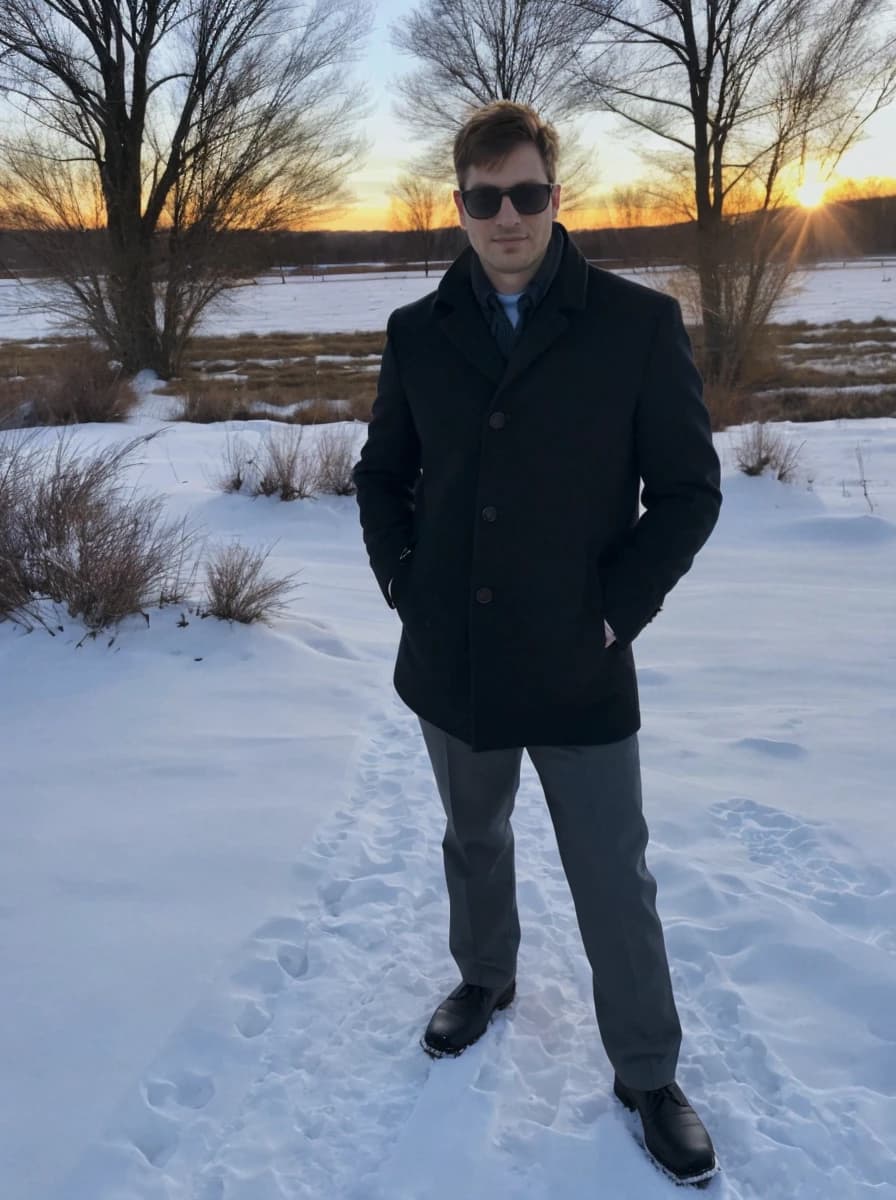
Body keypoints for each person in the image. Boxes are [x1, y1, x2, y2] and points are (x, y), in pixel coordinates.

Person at [351, 100, 722, 1188]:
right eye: (483, 198)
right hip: (452, 653)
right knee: (473, 837)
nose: (506, 215)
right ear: (458, 208)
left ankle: (648, 1074)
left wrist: (615, 611)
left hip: (579, 657)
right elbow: (383, 476)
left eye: (525, 193)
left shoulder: (633, 325)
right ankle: (486, 977)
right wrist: (402, 582)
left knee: (611, 868)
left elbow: (689, 493)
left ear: (554, 197)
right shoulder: (419, 332)